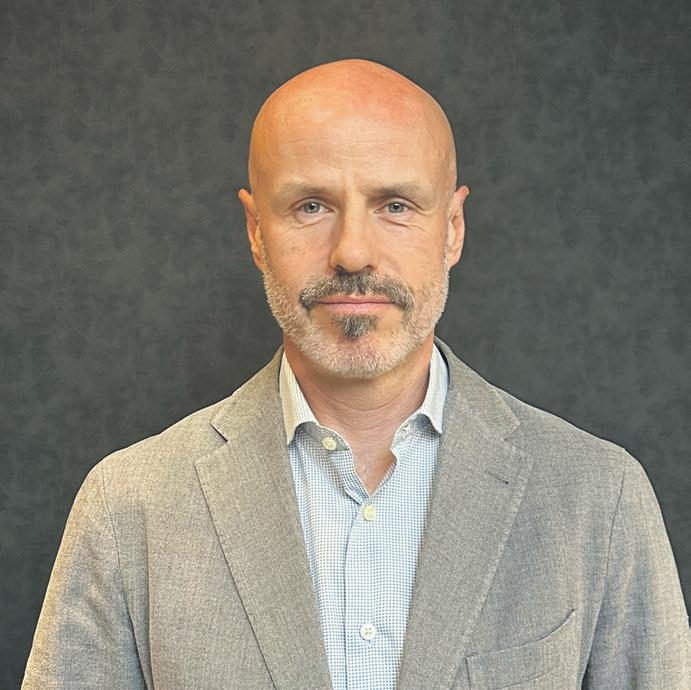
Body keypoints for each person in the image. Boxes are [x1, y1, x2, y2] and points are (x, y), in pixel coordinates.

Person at [23, 59, 688, 689]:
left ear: (452, 228)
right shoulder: (129, 507)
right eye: (311, 206)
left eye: (395, 205)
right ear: (256, 231)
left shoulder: (598, 498)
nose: (351, 253)